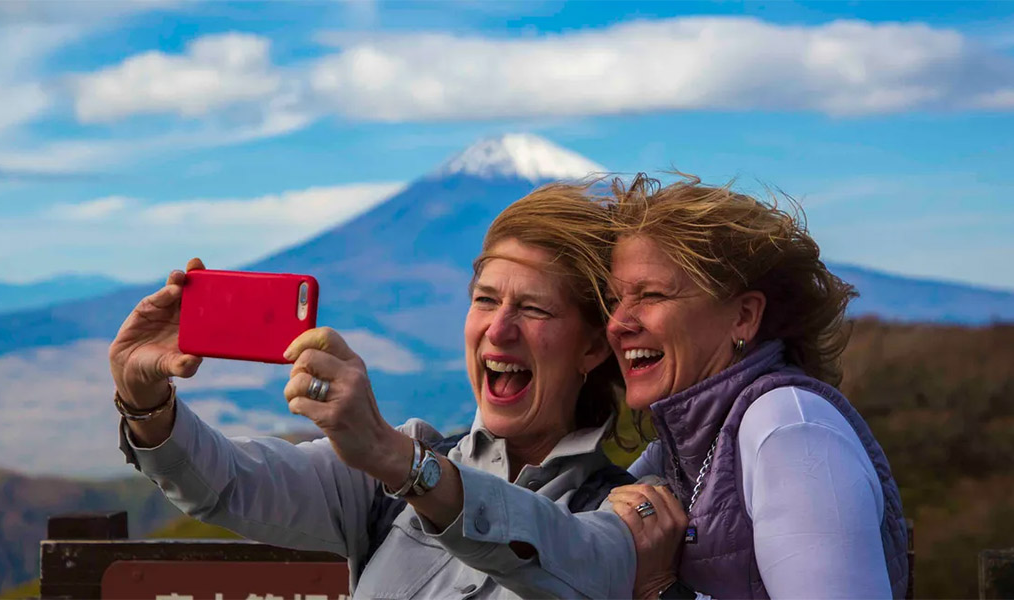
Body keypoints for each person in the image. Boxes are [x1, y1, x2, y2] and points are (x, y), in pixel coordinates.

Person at [110, 183, 685, 599]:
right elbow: (228, 485)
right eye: (485, 300)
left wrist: (401, 463)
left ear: (590, 349)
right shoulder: (383, 480)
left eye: (533, 308)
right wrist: (146, 403)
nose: (499, 328)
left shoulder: (628, 514)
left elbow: (567, 557)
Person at [605, 174, 910, 599]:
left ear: (743, 317)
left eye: (651, 295)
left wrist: (659, 590)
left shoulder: (789, 431)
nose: (617, 324)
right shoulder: (681, 448)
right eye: (614, 300)